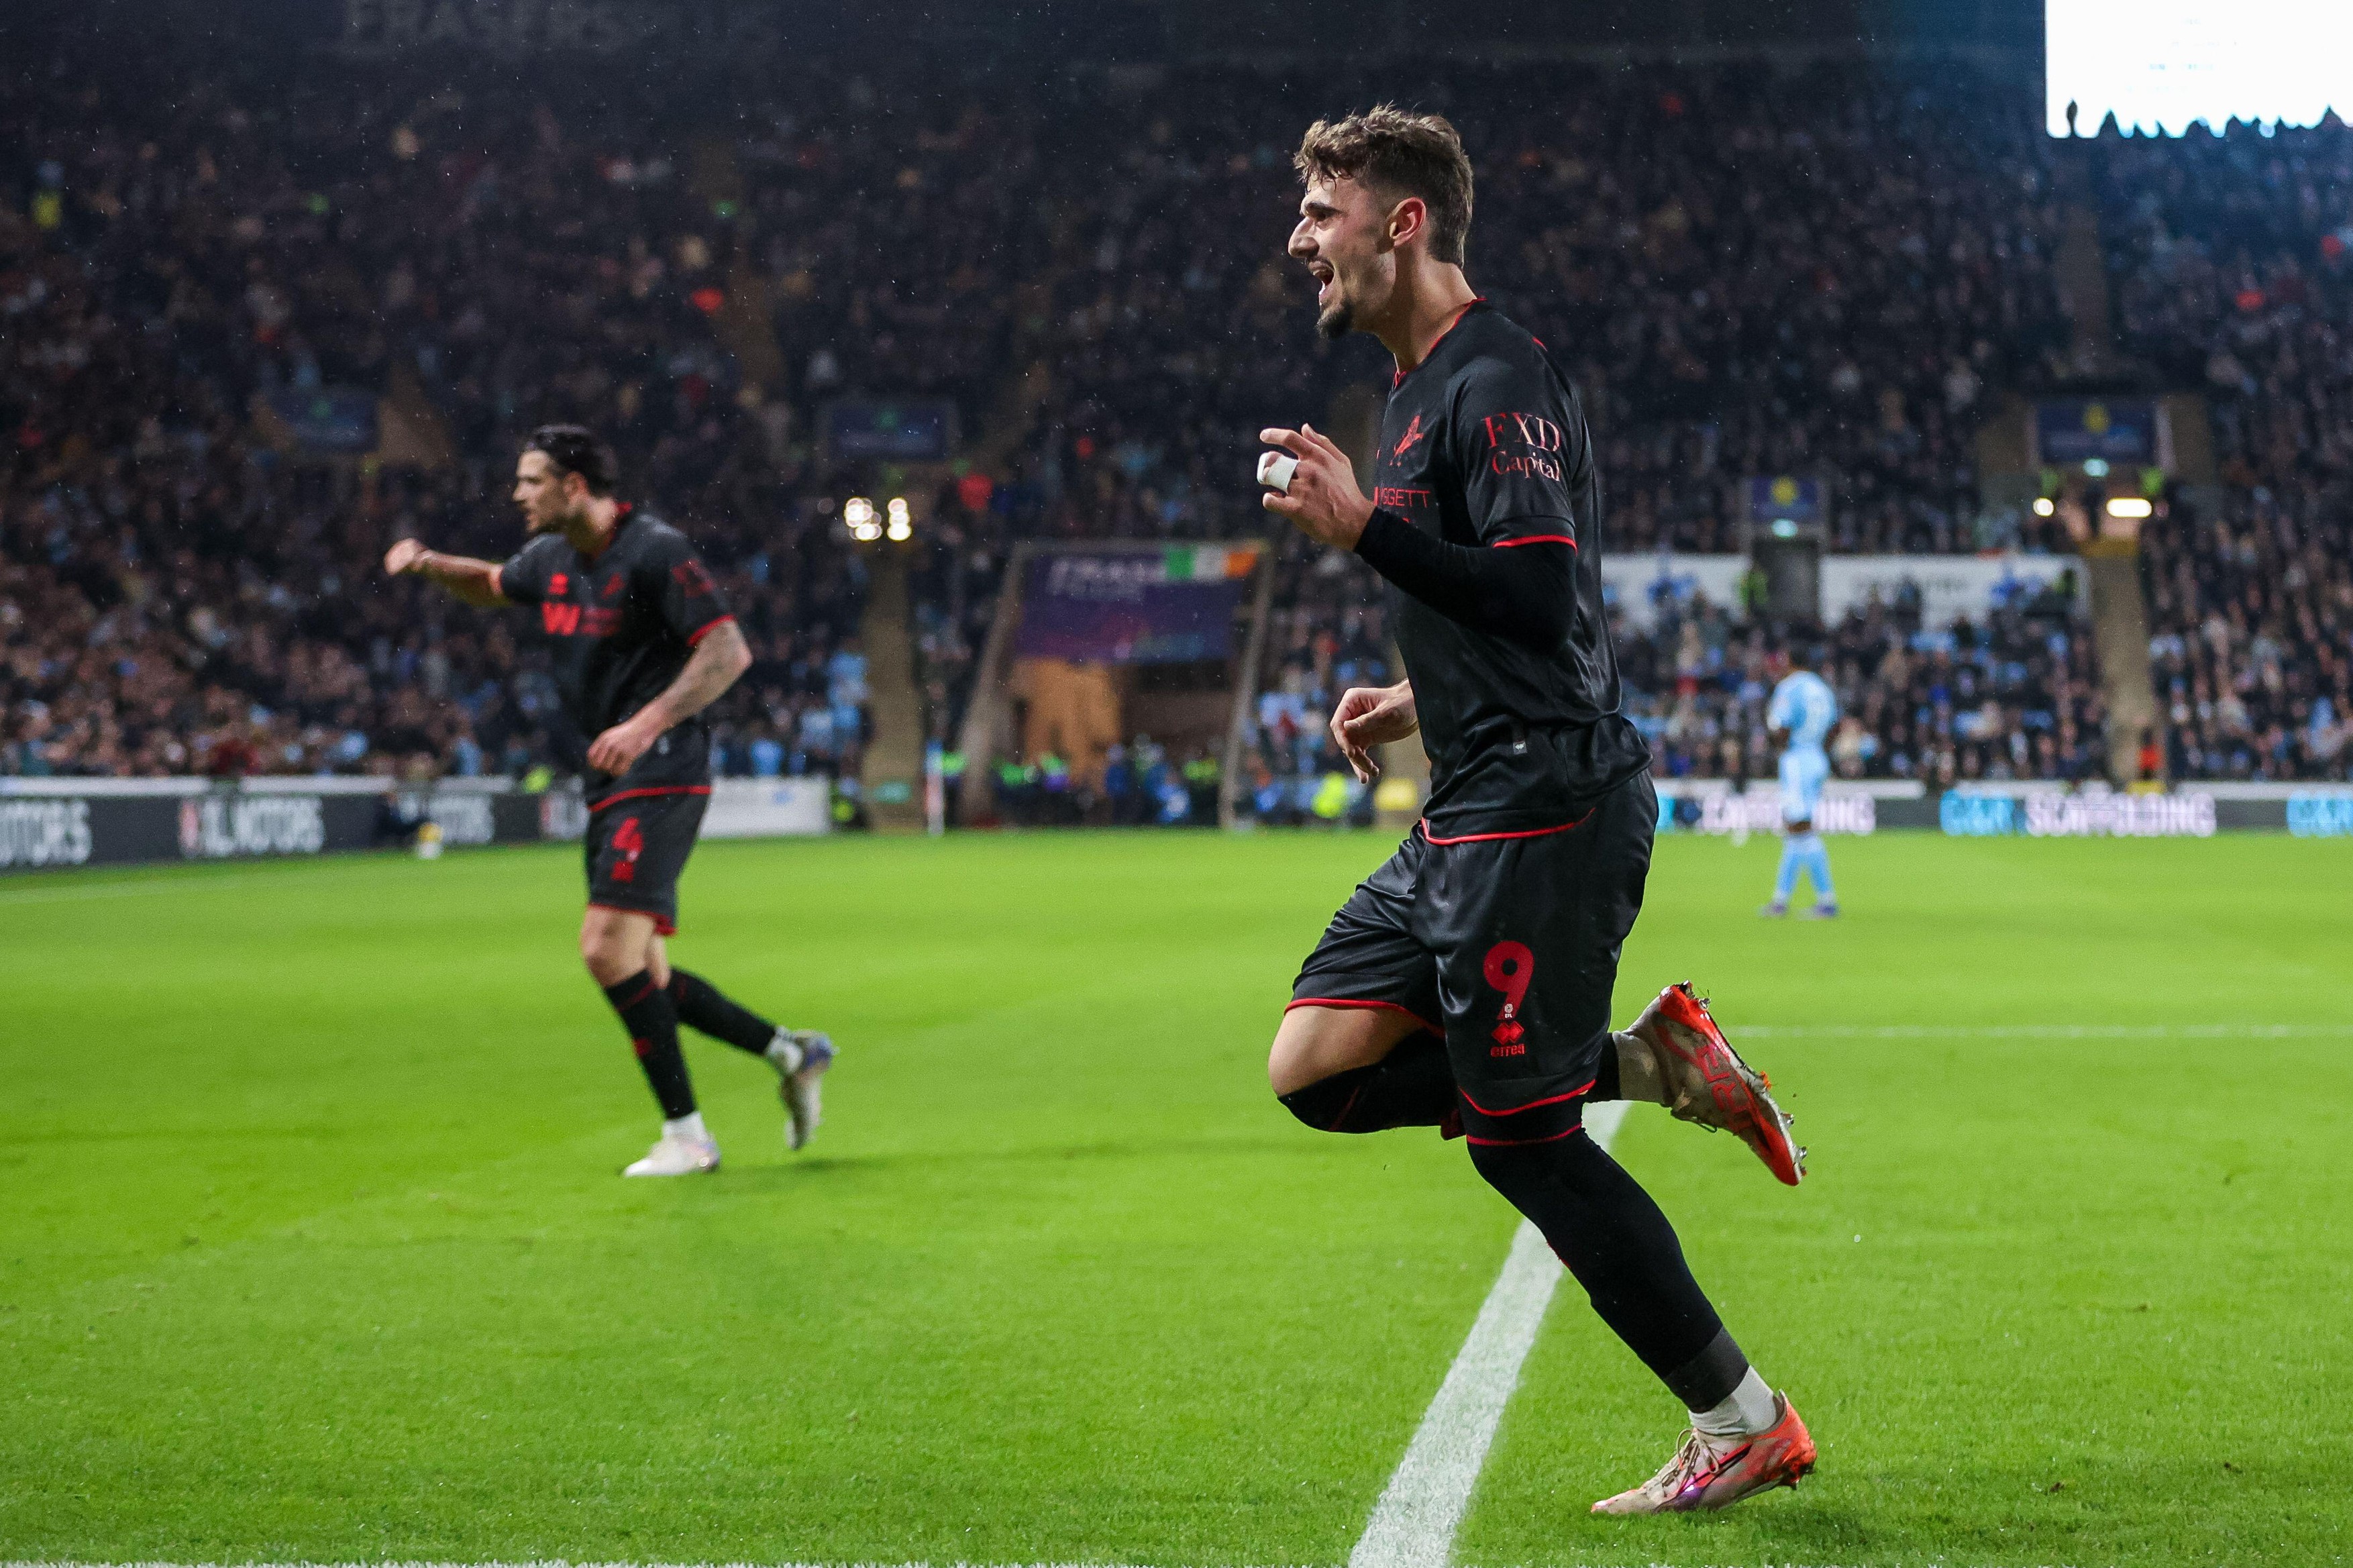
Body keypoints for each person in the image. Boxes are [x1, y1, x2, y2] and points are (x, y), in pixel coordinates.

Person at [1258, 107, 1814, 1516]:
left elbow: (1543, 590)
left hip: (1544, 806)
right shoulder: (1416, 388)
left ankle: (1743, 1419)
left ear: (1402, 223)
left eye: (1321, 212)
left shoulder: (1492, 377)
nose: (1297, 239)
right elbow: (1499, 607)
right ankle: (1647, 1063)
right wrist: (1411, 691)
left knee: (1520, 1140)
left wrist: (1360, 532)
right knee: (1315, 1065)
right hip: (1474, 792)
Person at [383, 425, 834, 1176]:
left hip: (662, 764)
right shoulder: (552, 559)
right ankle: (791, 1052)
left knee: (602, 949)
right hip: (609, 777)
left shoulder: (657, 552)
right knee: (645, 975)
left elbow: (728, 652)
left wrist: (648, 720)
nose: (518, 494)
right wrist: (428, 565)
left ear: (575, 485)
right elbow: (494, 587)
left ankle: (688, 1136)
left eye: (532, 481)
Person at [1763, 648, 1839, 918]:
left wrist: (1779, 746)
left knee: (1800, 827)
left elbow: (1781, 727)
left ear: (1791, 662)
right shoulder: (1823, 689)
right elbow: (1834, 727)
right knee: (1796, 829)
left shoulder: (1789, 688)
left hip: (1797, 759)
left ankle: (1827, 900)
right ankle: (1780, 900)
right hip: (1817, 756)